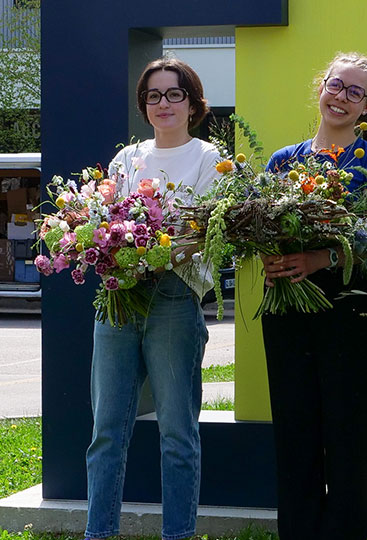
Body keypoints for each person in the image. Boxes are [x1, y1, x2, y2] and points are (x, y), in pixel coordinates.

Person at [262, 52, 367, 540]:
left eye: (354, 92)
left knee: (348, 432)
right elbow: (258, 227)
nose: (340, 97)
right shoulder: (283, 160)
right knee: (295, 431)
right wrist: (268, 254)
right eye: (336, 85)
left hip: (349, 308)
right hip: (287, 307)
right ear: (321, 88)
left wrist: (322, 258)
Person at [85, 57, 220, 540]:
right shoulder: (127, 159)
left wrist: (150, 252)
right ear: (144, 105)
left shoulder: (210, 159)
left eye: (174, 94)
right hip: (119, 296)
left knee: (177, 434)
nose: (164, 103)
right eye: (154, 95)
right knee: (106, 431)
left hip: (173, 297)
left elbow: (203, 234)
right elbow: (106, 220)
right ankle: (98, 533)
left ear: (193, 103)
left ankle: (177, 534)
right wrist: (102, 244)